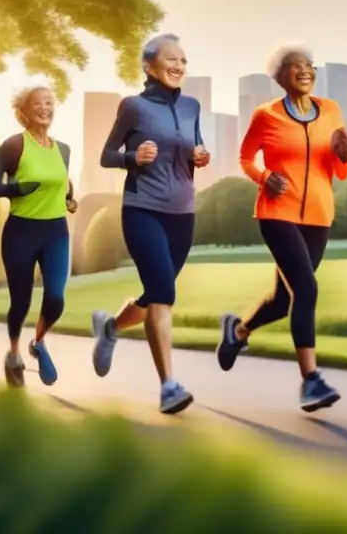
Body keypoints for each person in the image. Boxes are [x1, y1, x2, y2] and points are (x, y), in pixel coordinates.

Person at [215, 45, 347, 413]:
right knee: (306, 289)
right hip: (277, 213)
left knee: (284, 301)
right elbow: (245, 157)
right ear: (280, 77)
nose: (304, 71)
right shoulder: (266, 115)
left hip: (319, 216)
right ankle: (311, 381)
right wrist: (263, 176)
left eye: (309, 66)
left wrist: (343, 153)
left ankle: (238, 331)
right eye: (295, 67)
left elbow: (340, 172)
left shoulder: (332, 110)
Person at [89, 33, 210, 415]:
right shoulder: (134, 107)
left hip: (183, 213)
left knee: (156, 293)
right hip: (143, 210)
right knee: (162, 294)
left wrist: (200, 155)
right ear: (149, 65)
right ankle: (168, 386)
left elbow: (194, 147)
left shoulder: (192, 106)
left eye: (183, 60)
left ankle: (109, 327)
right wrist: (132, 156)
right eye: (171, 59)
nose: (178, 66)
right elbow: (107, 155)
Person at [0, 86, 78, 388]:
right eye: (39, 103)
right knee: (20, 301)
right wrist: (16, 189)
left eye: (50, 102)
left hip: (55, 232)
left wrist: (69, 200)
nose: (45, 108)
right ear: (24, 111)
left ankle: (38, 343)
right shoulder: (14, 146)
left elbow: (64, 183)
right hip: (21, 232)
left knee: (56, 299)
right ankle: (13, 355)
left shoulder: (63, 149)